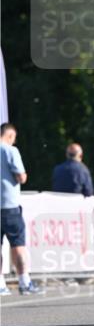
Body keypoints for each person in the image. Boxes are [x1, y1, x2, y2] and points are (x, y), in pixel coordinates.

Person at [0, 122, 43, 295]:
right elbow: (21, 177)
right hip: (9, 205)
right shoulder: (10, 151)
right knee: (18, 244)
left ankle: (1, 285)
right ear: (10, 136)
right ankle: (24, 282)